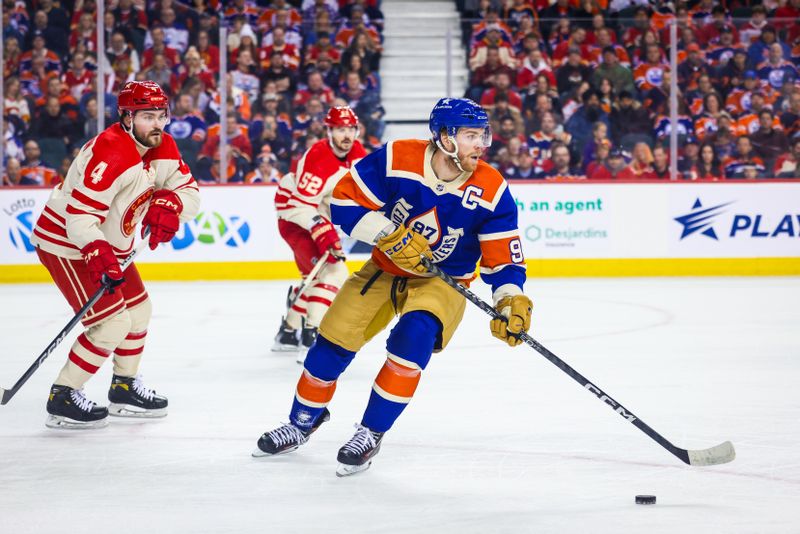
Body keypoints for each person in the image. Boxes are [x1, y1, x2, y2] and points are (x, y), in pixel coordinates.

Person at [253, 98, 532, 476]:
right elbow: (343, 201)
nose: (481, 144)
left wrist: (509, 298)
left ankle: (370, 432)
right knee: (330, 345)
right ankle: (303, 421)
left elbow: (504, 261)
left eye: (483, 134)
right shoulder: (398, 157)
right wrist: (387, 233)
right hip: (384, 268)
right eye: (471, 135)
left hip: (443, 280)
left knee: (412, 339)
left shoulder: (492, 188)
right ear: (445, 137)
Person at [29, 81, 200, 429]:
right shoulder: (112, 152)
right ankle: (63, 395)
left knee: (139, 312)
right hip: (70, 246)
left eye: (161, 115)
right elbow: (79, 219)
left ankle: (123, 388)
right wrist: (96, 251)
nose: (158, 124)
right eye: (148, 116)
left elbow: (188, 189)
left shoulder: (161, 145)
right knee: (112, 323)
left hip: (111, 247)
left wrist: (172, 203)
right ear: (126, 117)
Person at [272, 106, 366, 362]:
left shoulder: (356, 152)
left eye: (350, 129)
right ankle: (314, 335)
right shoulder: (318, 158)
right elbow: (300, 205)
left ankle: (289, 332)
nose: (346, 135)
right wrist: (325, 233)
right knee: (334, 272)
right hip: (293, 217)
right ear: (329, 131)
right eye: (340, 130)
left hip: (318, 213)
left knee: (314, 276)